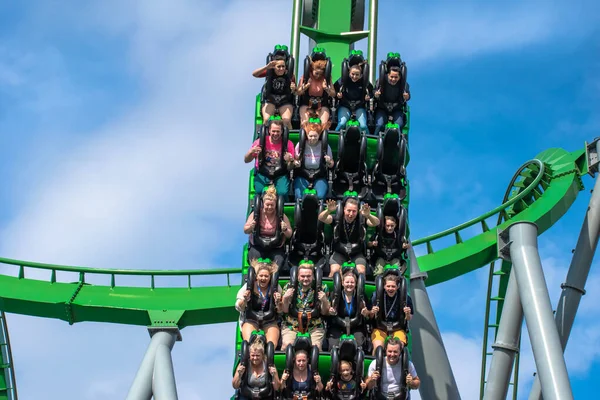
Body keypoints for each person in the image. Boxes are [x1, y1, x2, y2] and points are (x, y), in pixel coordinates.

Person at [318, 198, 380, 277]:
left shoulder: (361, 220)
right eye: (349, 210)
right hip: (339, 252)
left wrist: (368, 215)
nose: (351, 214)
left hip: (356, 253)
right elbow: (321, 218)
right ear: (344, 209)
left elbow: (376, 222)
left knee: (361, 271)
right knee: (334, 271)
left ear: (357, 211)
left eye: (354, 211)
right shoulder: (337, 218)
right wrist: (328, 211)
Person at [280, 261, 330, 351]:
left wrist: (324, 300)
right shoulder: (289, 286)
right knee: (286, 345)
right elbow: (285, 310)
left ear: (313, 276)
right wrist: (285, 298)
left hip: (314, 325)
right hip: (292, 325)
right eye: (302, 276)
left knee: (316, 347)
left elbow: (324, 312)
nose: (305, 279)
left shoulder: (322, 287)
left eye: (308, 276)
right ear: (298, 277)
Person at [243, 186, 293, 272]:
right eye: (267, 205)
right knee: (256, 266)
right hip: (258, 246)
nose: (269, 207)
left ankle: (273, 281)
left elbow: (289, 234)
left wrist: (285, 229)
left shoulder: (281, 216)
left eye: (272, 205)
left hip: (275, 247)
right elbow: (245, 230)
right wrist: (251, 227)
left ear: (276, 204)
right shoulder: (256, 214)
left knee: (277, 264)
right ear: (263, 203)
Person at [235, 258, 283, 347]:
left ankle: (268, 357)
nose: (263, 278)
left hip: (270, 320)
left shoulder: (276, 288)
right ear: (256, 276)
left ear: (270, 277)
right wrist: (245, 300)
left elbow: (281, 310)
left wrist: (278, 302)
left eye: (266, 276)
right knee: (251, 343)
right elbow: (238, 307)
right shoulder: (248, 287)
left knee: (271, 344)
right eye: (261, 276)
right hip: (251, 319)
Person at [244, 119, 295, 201]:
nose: (275, 134)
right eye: (273, 131)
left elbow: (290, 167)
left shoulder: (288, 144)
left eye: (278, 131)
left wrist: (290, 161)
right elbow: (246, 160)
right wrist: (251, 152)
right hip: (263, 173)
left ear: (282, 131)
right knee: (260, 191)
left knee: (282, 193)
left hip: (280, 174)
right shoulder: (260, 142)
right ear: (269, 131)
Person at [368, 273, 413, 354]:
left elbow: (409, 318)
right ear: (384, 286)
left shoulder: (405, 298)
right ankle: (376, 364)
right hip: (380, 327)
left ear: (398, 287)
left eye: (393, 286)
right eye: (388, 286)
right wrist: (372, 312)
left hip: (398, 328)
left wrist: (407, 313)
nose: (390, 289)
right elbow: (370, 316)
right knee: (378, 347)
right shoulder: (376, 296)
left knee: (398, 347)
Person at [327, 268, 369, 348]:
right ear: (342, 283)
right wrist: (331, 312)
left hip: (356, 326)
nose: (349, 284)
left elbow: (368, 314)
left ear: (356, 283)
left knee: (359, 344)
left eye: (352, 282)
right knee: (333, 345)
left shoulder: (361, 296)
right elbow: (328, 312)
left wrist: (366, 313)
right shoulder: (335, 295)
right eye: (347, 282)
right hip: (338, 325)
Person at [293, 119, 334, 200]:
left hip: (319, 176)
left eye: (315, 136)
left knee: (320, 196)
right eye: (310, 136)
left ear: (319, 135)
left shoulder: (325, 146)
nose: (312, 138)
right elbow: (295, 160)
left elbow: (332, 164)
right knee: (299, 196)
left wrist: (329, 162)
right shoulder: (300, 145)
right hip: (303, 175)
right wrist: (296, 162)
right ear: (307, 135)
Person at [252, 55, 296, 129]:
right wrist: (267, 67)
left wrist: (294, 88)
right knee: (266, 120)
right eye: (279, 67)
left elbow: (295, 91)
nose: (281, 69)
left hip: (285, 101)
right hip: (270, 100)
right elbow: (254, 74)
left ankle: (289, 139)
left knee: (286, 120)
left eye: (283, 66)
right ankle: (265, 137)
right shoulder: (269, 72)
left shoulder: (290, 75)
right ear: (274, 67)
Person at [297, 58, 336, 127]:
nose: (318, 76)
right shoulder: (306, 76)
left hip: (322, 104)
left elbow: (333, 94)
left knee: (323, 124)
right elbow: (298, 92)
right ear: (312, 70)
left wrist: (326, 88)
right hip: (307, 103)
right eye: (316, 73)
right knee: (304, 123)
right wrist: (306, 86)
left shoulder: (326, 78)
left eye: (321, 74)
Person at [333, 64, 373, 132]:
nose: (354, 77)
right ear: (349, 73)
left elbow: (372, 91)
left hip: (359, 107)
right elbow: (334, 90)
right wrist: (337, 94)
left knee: (363, 126)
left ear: (360, 75)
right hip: (345, 105)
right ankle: (335, 137)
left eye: (357, 75)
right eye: (353, 74)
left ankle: (366, 140)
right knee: (342, 123)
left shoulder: (364, 81)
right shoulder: (343, 80)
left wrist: (369, 96)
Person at [373, 66, 410, 136]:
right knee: (379, 124)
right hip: (382, 108)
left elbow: (408, 95)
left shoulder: (404, 85)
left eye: (396, 77)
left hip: (396, 109)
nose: (393, 79)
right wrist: (376, 94)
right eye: (391, 77)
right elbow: (374, 91)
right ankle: (375, 139)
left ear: (399, 77)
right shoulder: (381, 82)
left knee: (399, 124)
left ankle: (397, 141)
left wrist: (407, 97)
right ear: (388, 75)